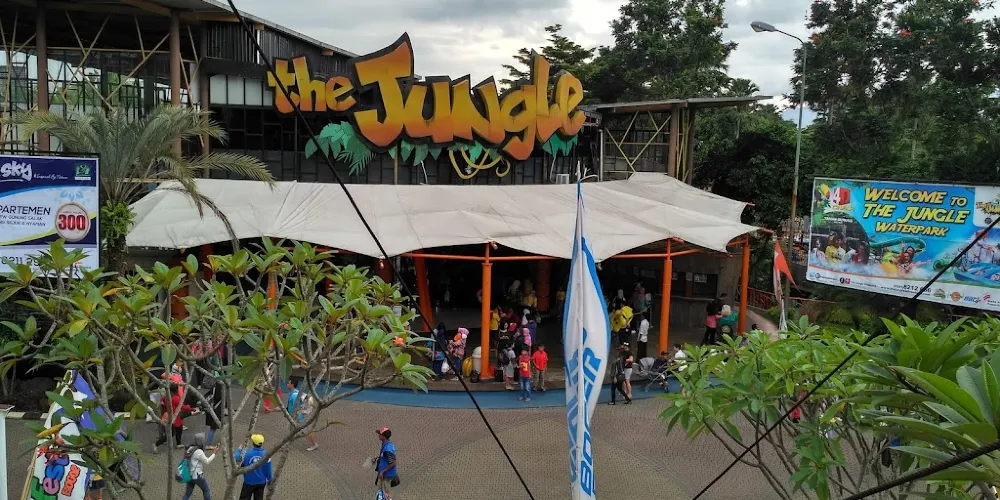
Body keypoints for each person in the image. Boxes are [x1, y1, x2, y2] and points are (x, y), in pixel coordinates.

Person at [154, 387, 196, 453]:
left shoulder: (166, 397)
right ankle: (157, 444)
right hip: (176, 417)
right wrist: (192, 409)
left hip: (169, 417)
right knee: (175, 432)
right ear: (176, 390)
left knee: (176, 431)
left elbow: (162, 402)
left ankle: (178, 444)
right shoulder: (176, 398)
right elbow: (183, 407)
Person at [235, 434, 271, 500]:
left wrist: (239, 450)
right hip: (261, 482)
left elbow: (237, 458)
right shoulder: (266, 454)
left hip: (249, 482)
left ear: (253, 443)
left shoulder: (247, 453)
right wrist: (270, 480)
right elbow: (268, 470)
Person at [285, 381, 319, 451]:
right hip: (294, 417)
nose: (287, 384)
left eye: (288, 383)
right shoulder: (294, 392)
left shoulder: (294, 395)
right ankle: (287, 444)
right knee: (291, 430)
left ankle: (314, 444)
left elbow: (295, 407)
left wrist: (303, 411)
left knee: (305, 432)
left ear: (292, 384)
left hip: (298, 417)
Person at [183, 433, 217, 500]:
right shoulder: (198, 451)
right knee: (206, 490)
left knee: (187, 493)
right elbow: (207, 461)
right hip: (197, 475)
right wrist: (214, 453)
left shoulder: (190, 448)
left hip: (189, 475)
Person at [372, 427, 399, 499]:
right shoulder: (386, 444)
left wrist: (383, 471)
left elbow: (393, 463)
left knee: (386, 493)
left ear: (383, 436)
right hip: (383, 473)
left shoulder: (388, 449)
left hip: (387, 474)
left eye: (380, 434)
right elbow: (386, 456)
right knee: (380, 490)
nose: (379, 435)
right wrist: (378, 457)